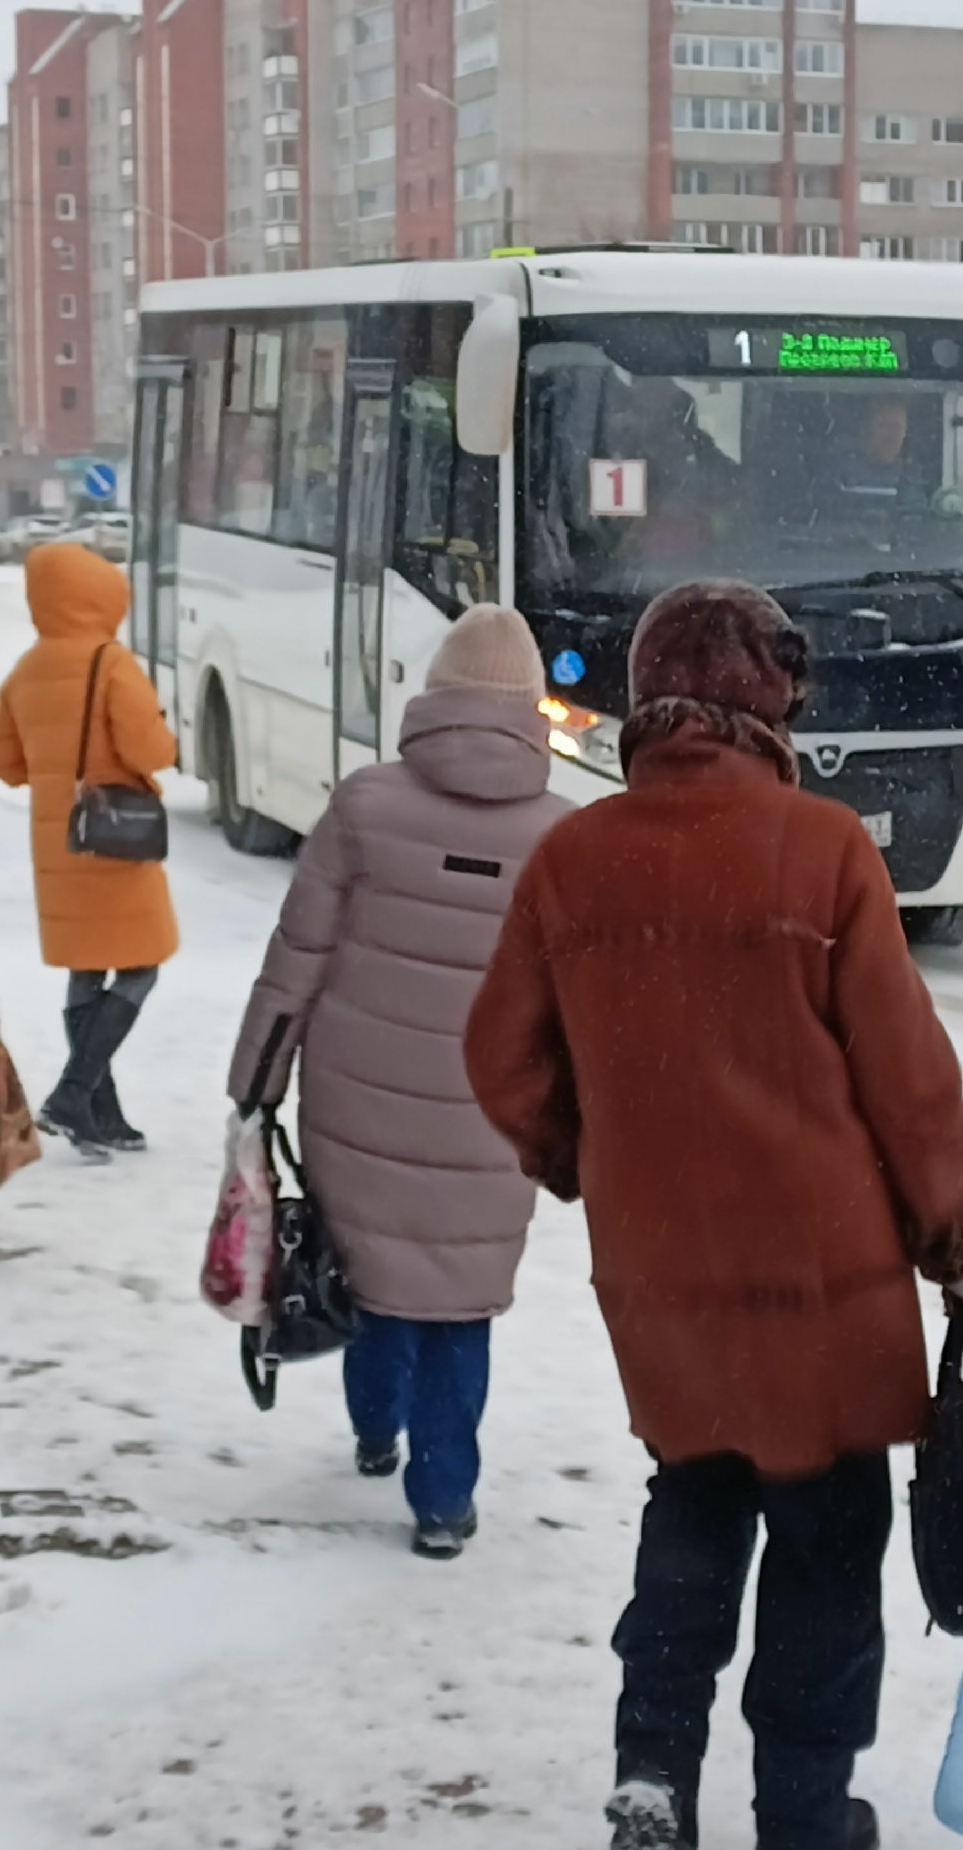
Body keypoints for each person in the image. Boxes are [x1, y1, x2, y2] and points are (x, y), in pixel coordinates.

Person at [466, 581, 963, 1850]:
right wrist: (947, 1232)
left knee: (691, 1499)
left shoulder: (573, 858)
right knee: (822, 1546)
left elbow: (499, 1058)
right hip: (824, 1284)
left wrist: (585, 1159)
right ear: (769, 698)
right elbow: (906, 1080)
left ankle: (653, 1766)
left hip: (663, 1277)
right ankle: (805, 1808)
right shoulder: (823, 849)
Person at [226, 605, 570, 1559]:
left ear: (437, 695)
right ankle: (445, 1499)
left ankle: (374, 1431)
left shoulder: (366, 804)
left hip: (356, 1094)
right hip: (493, 1119)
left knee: (371, 1269)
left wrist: (255, 1083)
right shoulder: (564, 836)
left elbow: (298, 955)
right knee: (458, 1301)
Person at [0, 541, 179, 1157]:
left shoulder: (25, 669)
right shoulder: (112, 663)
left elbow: (5, 762)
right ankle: (72, 1094)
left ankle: (101, 1115)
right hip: (114, 835)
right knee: (140, 966)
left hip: (59, 838)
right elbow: (148, 752)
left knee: (87, 967)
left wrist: (54, 769)